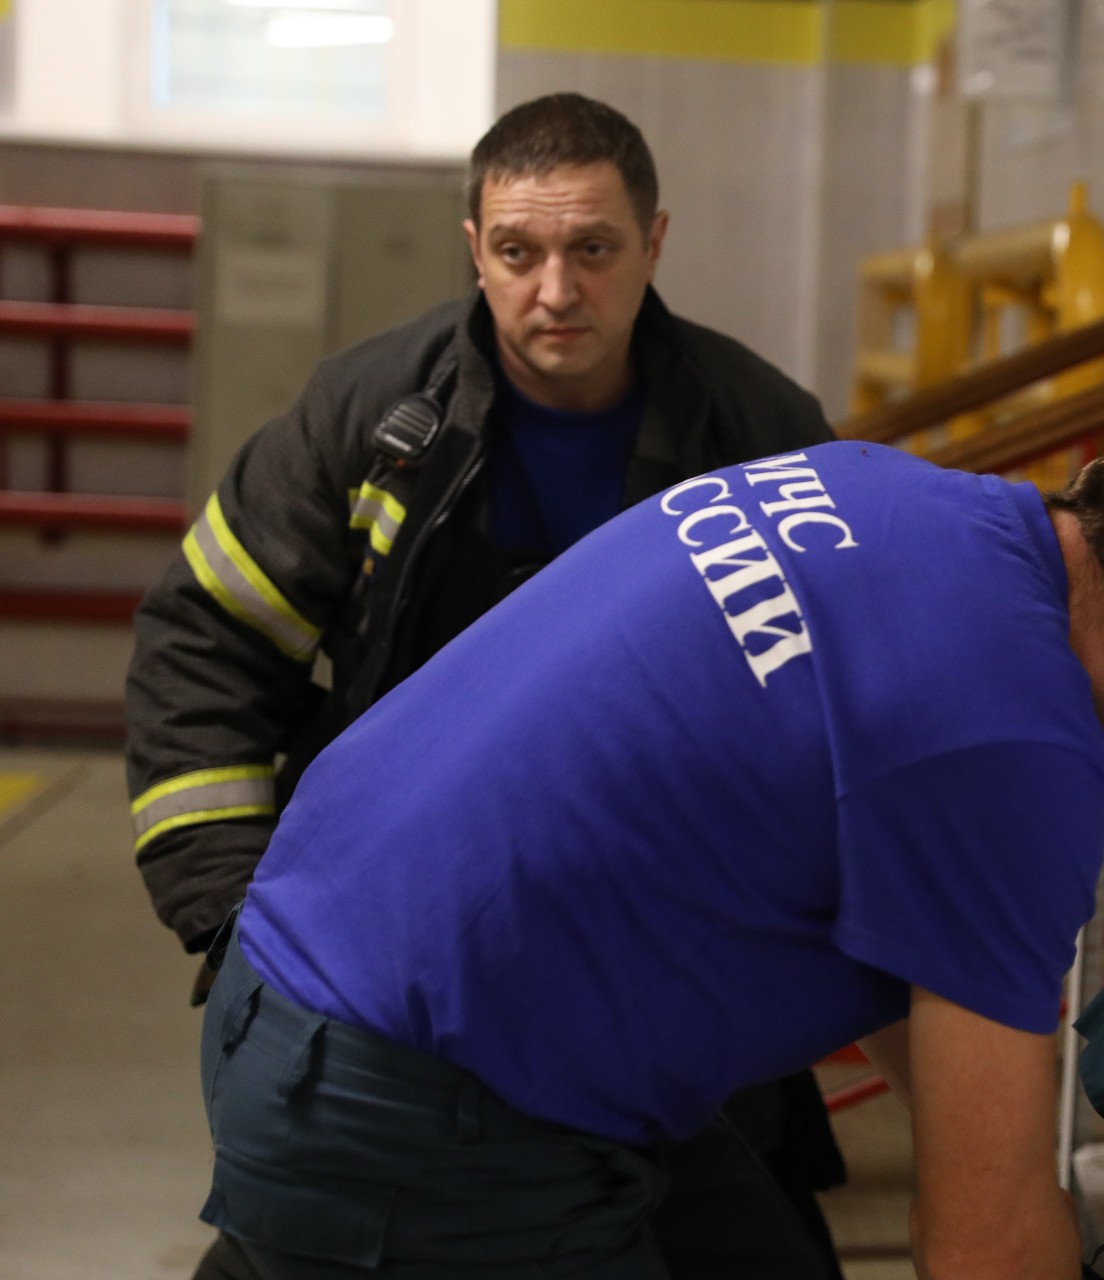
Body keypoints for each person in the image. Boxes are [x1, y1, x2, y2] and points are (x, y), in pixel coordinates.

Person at [193, 388, 1104, 1279]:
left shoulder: (893, 493)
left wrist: (1018, 1178)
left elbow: (922, 973)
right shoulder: (1018, 746)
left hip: (314, 975)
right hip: (402, 1099)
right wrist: (1019, 1211)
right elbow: (976, 1247)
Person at [124, 94, 843, 1280]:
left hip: (666, 959)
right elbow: (207, 637)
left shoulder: (759, 433)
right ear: (474, 248)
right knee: (331, 1229)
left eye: (593, 248)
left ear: (655, 243)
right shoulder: (372, 419)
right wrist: (238, 911)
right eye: (518, 251)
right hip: (398, 944)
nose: (556, 289)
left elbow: (838, 709)